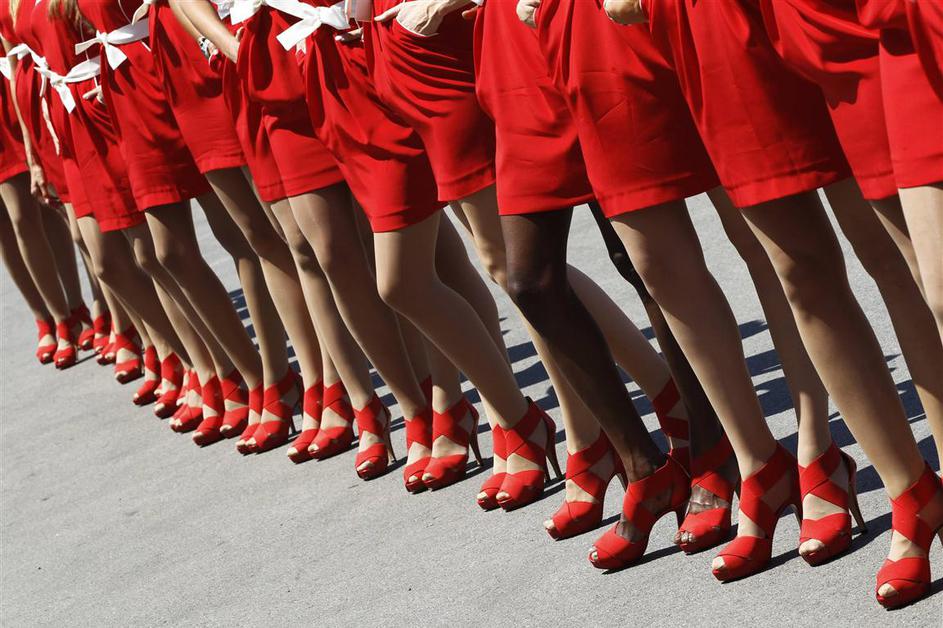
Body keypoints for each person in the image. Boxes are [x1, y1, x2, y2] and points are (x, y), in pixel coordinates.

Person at [603, 0, 943, 607]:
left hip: (830, 14)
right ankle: (909, 491)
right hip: (709, 19)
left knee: (901, 252)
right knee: (799, 271)